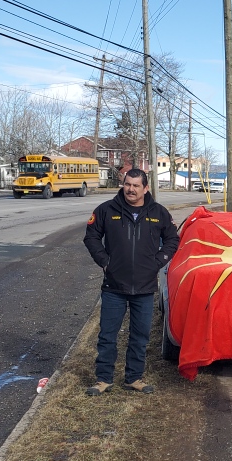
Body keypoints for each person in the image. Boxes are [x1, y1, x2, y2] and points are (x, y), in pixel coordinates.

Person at [83, 168, 179, 396]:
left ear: (145, 188)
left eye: (136, 185)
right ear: (123, 184)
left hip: (145, 288)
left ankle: (134, 377)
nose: (131, 189)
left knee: (140, 335)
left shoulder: (159, 213)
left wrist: (158, 261)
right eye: (128, 184)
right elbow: (91, 236)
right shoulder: (107, 210)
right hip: (114, 286)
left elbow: (173, 239)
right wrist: (105, 261)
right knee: (107, 334)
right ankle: (103, 379)